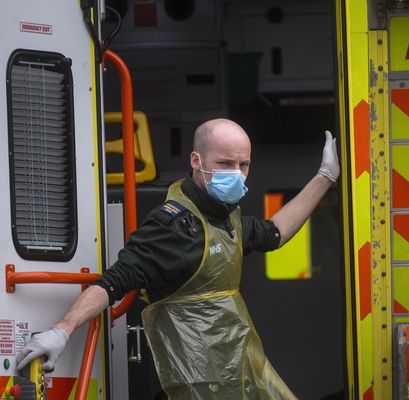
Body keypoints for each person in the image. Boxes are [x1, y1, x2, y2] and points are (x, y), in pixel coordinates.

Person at [16, 118, 340, 399]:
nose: (238, 175)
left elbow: (275, 233)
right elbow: (116, 281)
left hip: (237, 368)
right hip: (192, 381)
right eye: (226, 164)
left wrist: (325, 176)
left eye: (244, 165)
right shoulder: (171, 226)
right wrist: (62, 329)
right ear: (196, 160)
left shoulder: (228, 219)